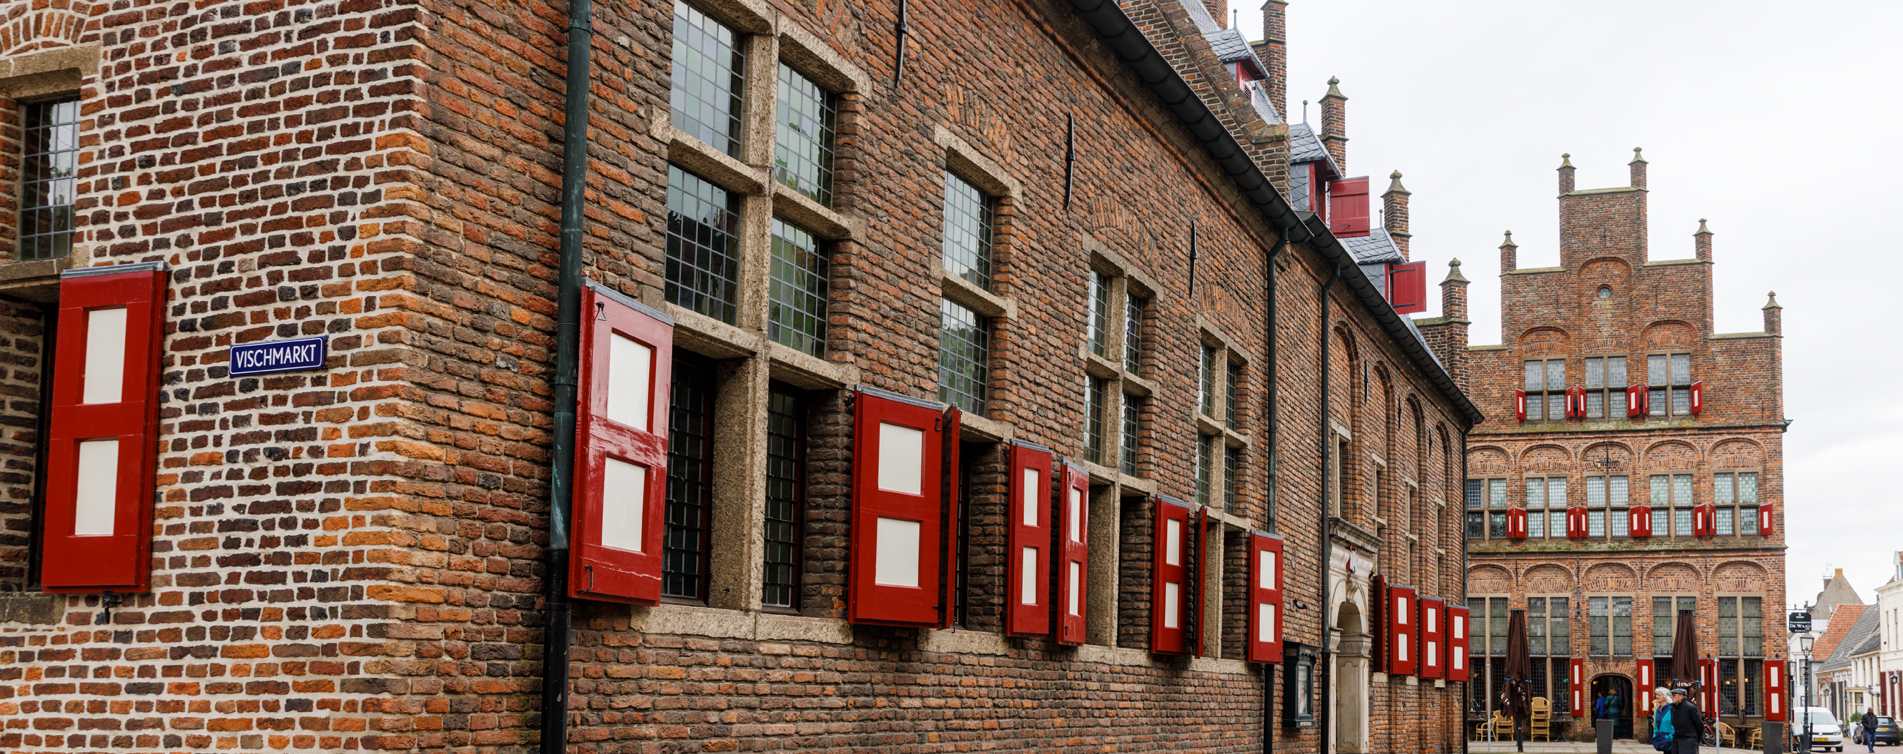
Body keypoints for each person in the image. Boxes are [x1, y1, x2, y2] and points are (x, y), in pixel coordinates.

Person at [1667, 686, 1703, 754]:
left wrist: (1695, 739)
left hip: (1688, 740)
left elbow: (1699, 725)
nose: (1672, 697)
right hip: (1675, 740)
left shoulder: (1690, 708)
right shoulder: (1672, 707)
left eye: (1674, 695)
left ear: (1681, 696)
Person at [1650, 688, 1676, 752]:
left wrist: (1669, 737)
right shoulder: (1658, 709)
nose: (1657, 696)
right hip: (1661, 739)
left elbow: (1676, 725)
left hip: (1671, 740)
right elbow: (1656, 724)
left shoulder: (1672, 709)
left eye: (1659, 695)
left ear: (1665, 696)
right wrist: (1655, 735)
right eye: (1656, 695)